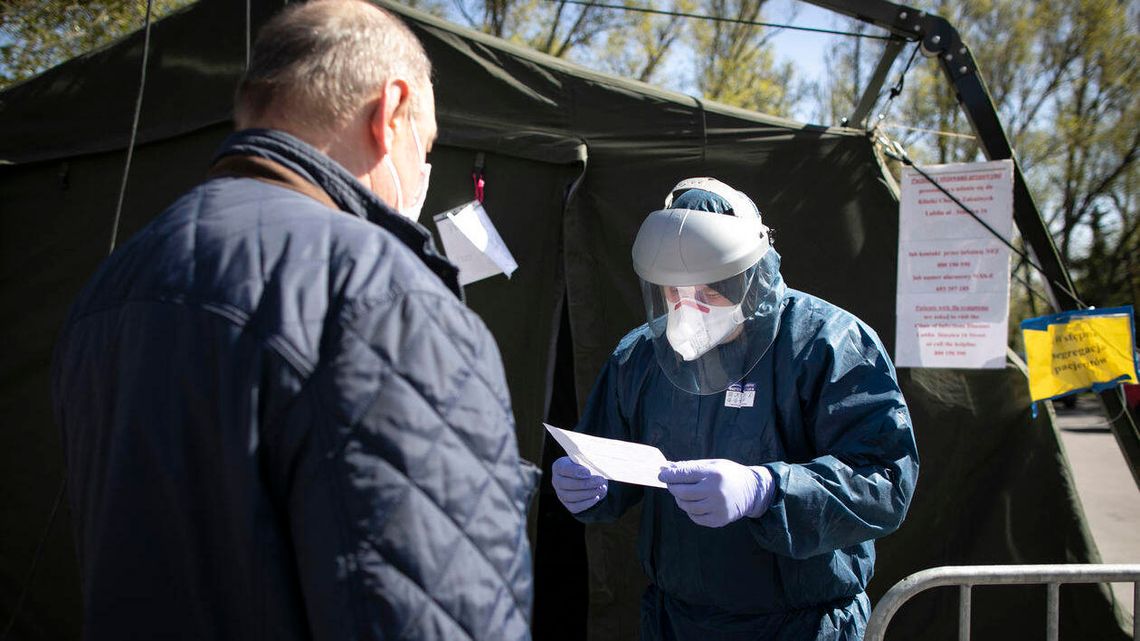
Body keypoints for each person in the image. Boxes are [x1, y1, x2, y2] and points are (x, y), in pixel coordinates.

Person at [50, 2, 537, 639]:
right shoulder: (382, 294)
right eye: (429, 144)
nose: (424, 171)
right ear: (389, 112)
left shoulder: (112, 284)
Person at [551, 177, 919, 640]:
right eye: (674, 293)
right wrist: (592, 485)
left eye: (708, 294)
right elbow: (612, 461)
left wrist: (767, 489)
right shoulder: (641, 357)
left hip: (802, 625)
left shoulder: (827, 344)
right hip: (676, 622)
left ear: (748, 278)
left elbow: (884, 482)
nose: (689, 311)